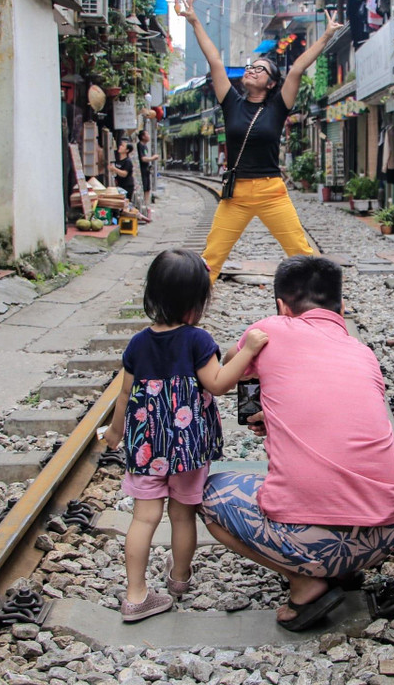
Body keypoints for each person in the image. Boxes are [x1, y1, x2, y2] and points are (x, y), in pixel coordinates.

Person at [199, 256, 394, 631]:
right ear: (341, 307)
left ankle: (305, 583)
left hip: (316, 541)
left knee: (206, 494)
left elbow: (230, 363)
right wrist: (282, 414)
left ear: (282, 307)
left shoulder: (271, 329)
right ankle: (342, 571)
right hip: (392, 530)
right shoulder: (363, 353)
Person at [102, 248, 269, 622]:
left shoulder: (138, 343)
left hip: (146, 448)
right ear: (197, 303)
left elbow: (125, 395)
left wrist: (115, 432)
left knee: (143, 519)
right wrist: (248, 350)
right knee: (182, 516)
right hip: (187, 450)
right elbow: (218, 384)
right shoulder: (198, 340)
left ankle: (135, 595)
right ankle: (179, 578)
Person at [176, 0, 343, 284]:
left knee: (302, 253)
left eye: (260, 69)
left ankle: (325, 305)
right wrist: (194, 22)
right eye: (250, 67)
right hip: (236, 195)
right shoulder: (231, 102)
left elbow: (298, 68)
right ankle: (189, 308)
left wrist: (327, 35)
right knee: (211, 259)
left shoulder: (278, 106)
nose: (252, 71)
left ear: (271, 83)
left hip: (271, 192)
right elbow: (214, 60)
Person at [137, 130, 160, 205]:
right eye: (147, 134)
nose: (149, 136)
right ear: (143, 137)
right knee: (144, 187)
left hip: (146, 170)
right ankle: (144, 204)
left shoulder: (145, 146)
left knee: (147, 188)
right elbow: (143, 159)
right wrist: (153, 158)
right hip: (142, 170)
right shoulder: (140, 145)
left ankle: (146, 205)